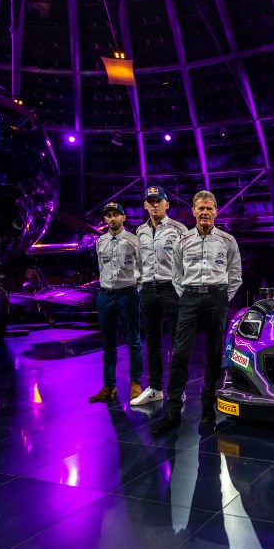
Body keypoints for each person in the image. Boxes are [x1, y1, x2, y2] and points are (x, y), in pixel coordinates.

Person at [151, 190, 242, 435]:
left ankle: (208, 409)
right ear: (193, 211)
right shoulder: (182, 241)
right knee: (180, 353)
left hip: (217, 297)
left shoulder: (227, 241)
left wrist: (222, 298)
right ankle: (172, 410)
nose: (205, 212)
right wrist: (188, 296)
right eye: (200, 208)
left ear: (216, 212)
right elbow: (176, 275)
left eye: (209, 208)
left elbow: (235, 275)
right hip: (189, 297)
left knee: (214, 354)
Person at [131, 186, 189, 406]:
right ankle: (155, 388)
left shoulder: (179, 229)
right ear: (145, 205)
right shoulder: (140, 231)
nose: (154, 205)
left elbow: (189, 261)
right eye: (151, 201)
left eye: (158, 201)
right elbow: (138, 262)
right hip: (148, 290)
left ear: (167, 204)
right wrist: (139, 285)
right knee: (152, 342)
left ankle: (178, 389)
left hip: (171, 289)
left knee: (177, 342)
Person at [88, 201, 143, 402]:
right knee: (108, 343)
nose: (112, 218)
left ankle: (135, 383)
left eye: (115, 215)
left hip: (127, 294)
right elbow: (101, 267)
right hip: (105, 296)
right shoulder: (100, 241)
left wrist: (135, 290)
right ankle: (109, 386)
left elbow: (142, 268)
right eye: (108, 215)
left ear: (123, 217)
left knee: (133, 341)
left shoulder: (133, 240)